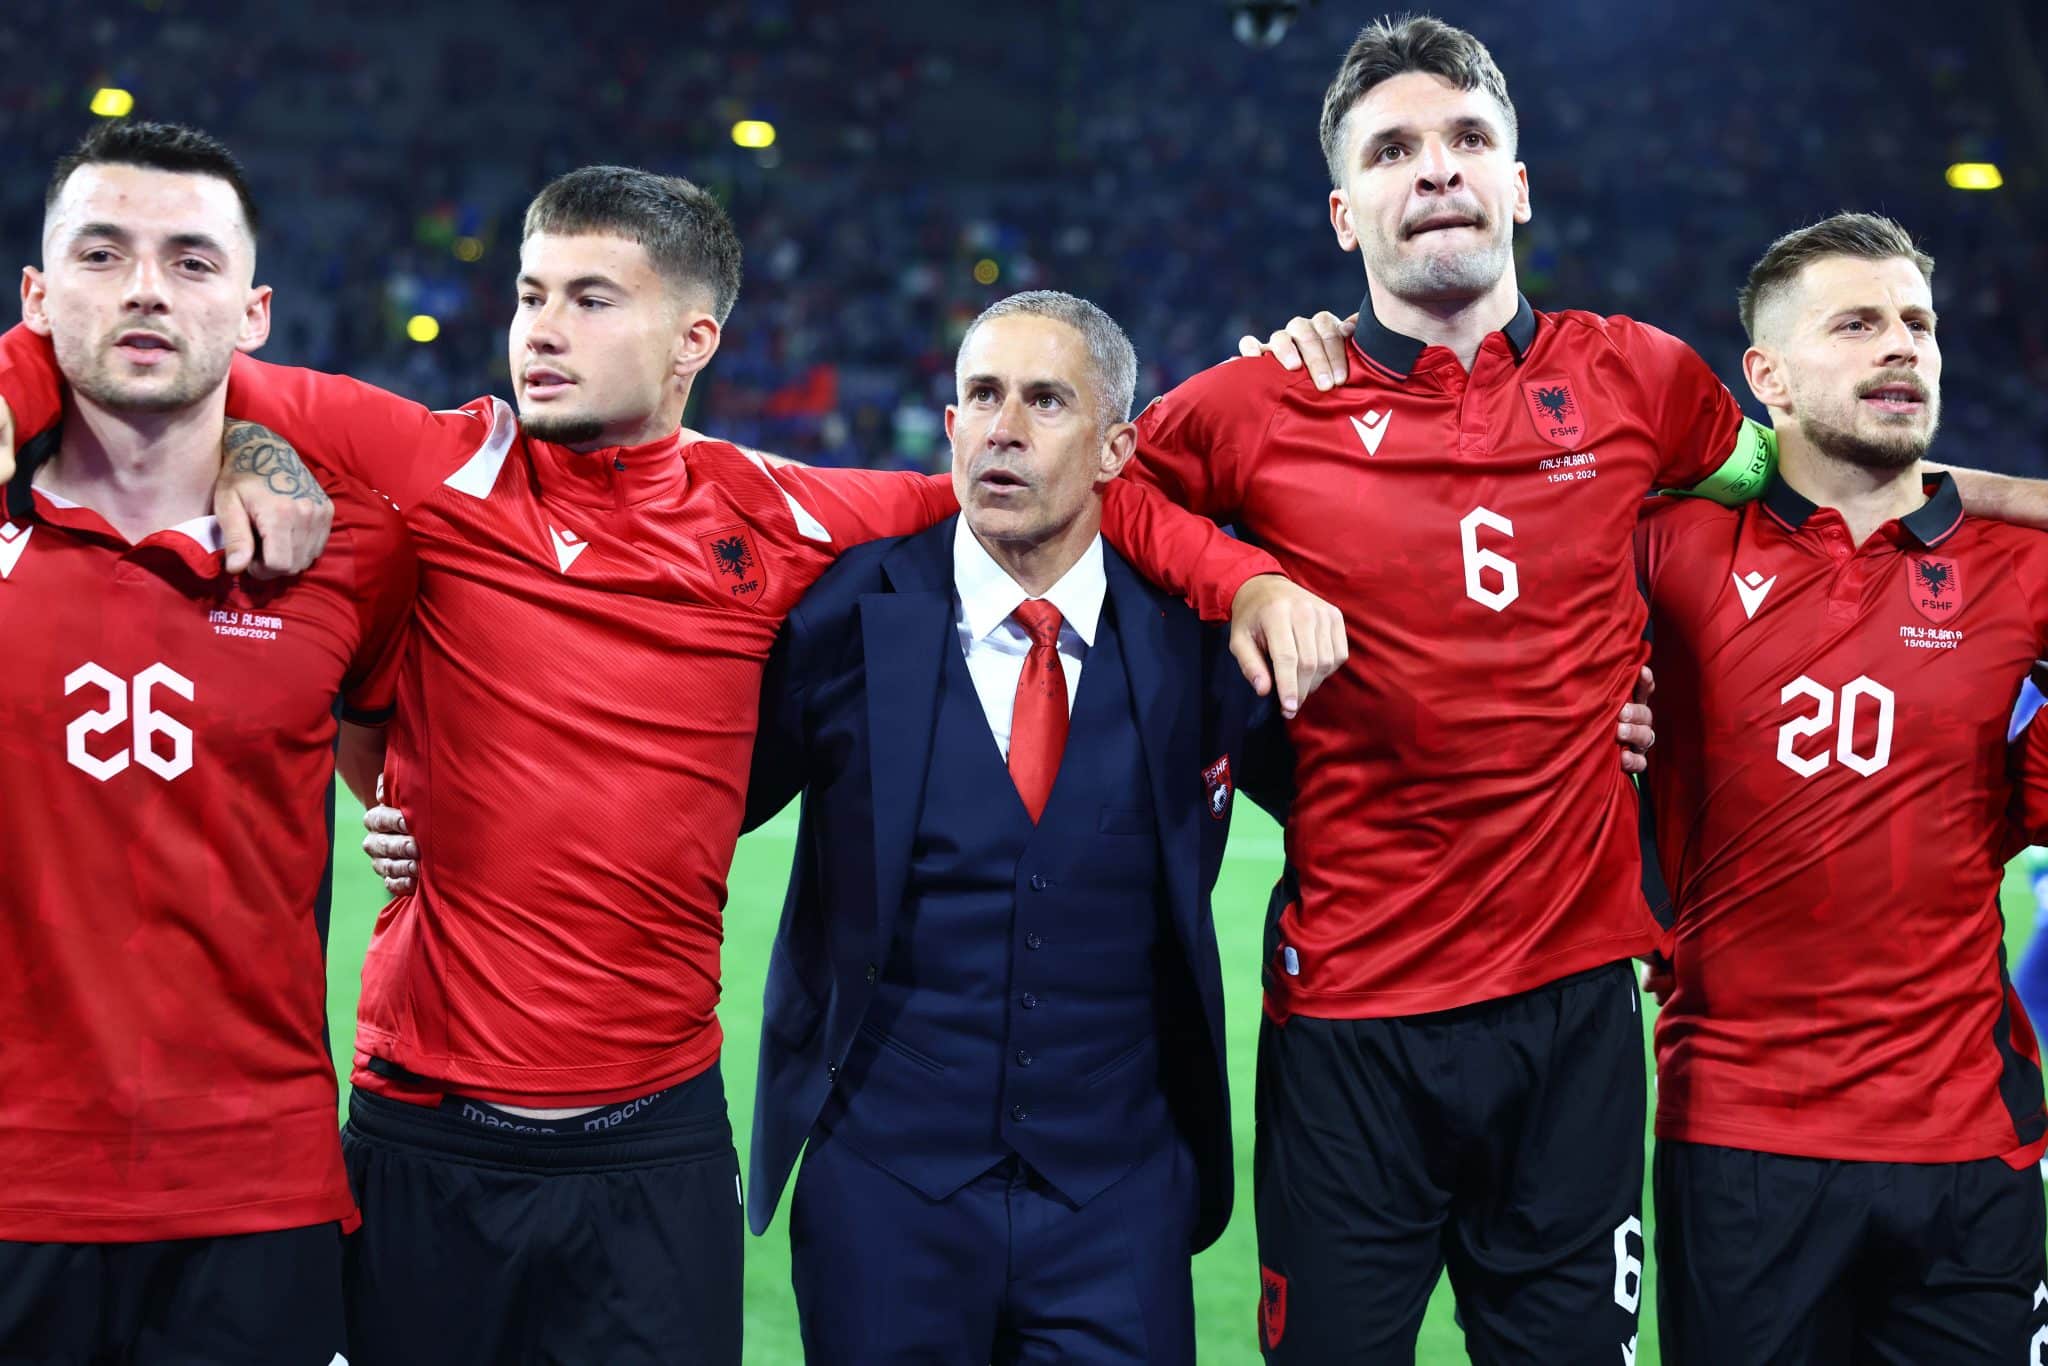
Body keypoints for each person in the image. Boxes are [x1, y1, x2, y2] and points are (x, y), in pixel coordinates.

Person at [0, 161, 1342, 1364]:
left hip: (656, 1144)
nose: (541, 328)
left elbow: (1060, 495)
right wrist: (188, 431)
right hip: (426, 1130)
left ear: (695, 337)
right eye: (531, 293)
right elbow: (144, 357)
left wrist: (1248, 580)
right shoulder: (437, 463)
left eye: (593, 298)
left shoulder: (790, 513)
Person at [735, 289, 1286, 1364]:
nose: (1002, 427)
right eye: (980, 396)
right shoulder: (844, 617)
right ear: (947, 427)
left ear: (1116, 447)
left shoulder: (1193, 643)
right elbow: (691, 800)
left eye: (1044, 400)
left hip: (1116, 1200)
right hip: (883, 1197)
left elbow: (1363, 791)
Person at [0, 120, 413, 1364]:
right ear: (34, 297)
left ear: (255, 310)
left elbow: (403, 774)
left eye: (190, 261)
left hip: (256, 1203)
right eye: (101, 253)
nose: (142, 287)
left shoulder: (351, 557)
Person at [1634, 213, 2048, 1363]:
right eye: (1856, 324)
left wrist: (2007, 494)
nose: (1900, 347)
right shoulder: (1663, 552)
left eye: (1915, 323)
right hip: (1741, 1137)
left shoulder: (2019, 567)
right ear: (1763, 376)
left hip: (1967, 1147)